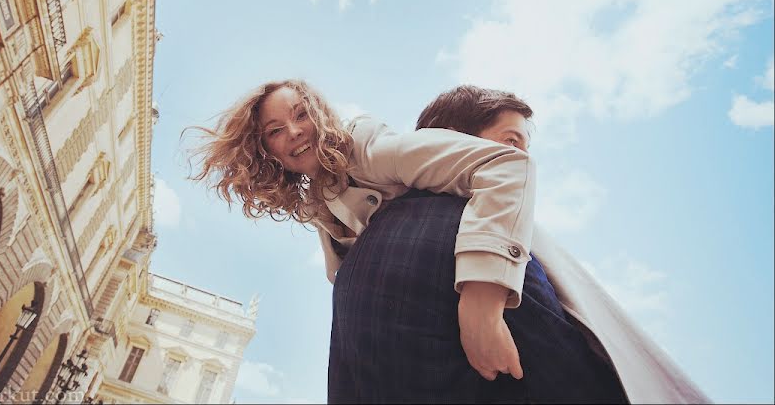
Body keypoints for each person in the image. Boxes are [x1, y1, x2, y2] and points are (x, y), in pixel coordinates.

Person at [329, 85, 710, 404]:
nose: (522, 158)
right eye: (511, 142)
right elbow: (567, 377)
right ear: (448, 140)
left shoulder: (359, 261)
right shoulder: (478, 237)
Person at [189, 79, 537, 387]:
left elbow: (506, 165)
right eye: (275, 131)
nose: (293, 131)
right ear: (267, 153)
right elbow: (342, 275)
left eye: (301, 115)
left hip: (472, 294)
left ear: (321, 115)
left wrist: (482, 303)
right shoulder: (317, 202)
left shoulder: (367, 147)